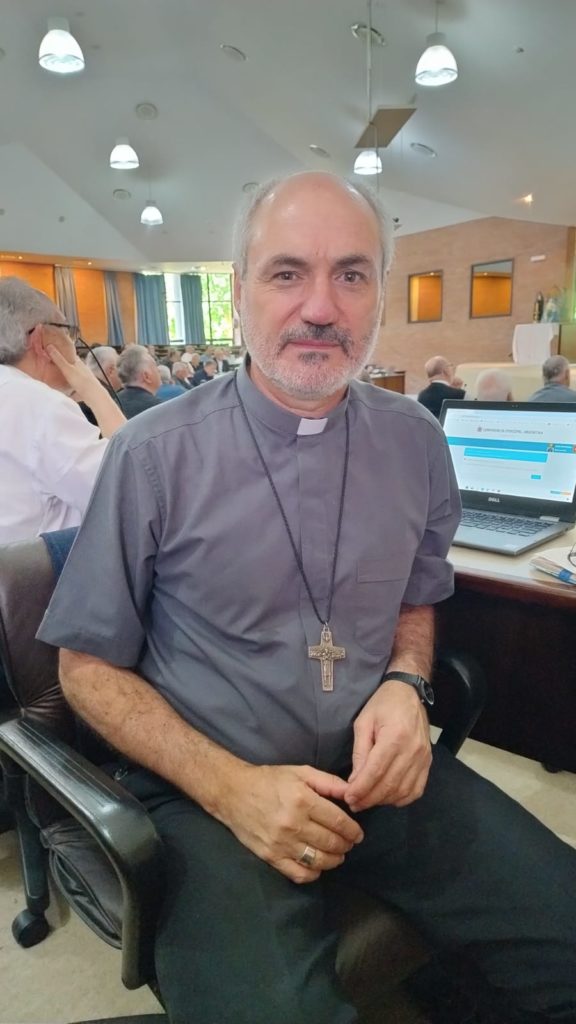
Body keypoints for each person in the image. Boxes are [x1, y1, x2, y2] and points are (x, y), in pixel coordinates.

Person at [39, 173, 576, 1024]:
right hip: (208, 796)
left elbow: (416, 596)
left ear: (380, 294)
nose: (321, 308)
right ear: (240, 289)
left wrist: (406, 683)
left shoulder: (418, 442)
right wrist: (230, 788)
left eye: (351, 274)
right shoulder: (152, 455)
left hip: (379, 775)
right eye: (287, 273)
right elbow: (84, 667)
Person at [0, 277, 125, 543]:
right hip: (44, 569)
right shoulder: (40, 406)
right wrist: (93, 390)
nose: (73, 344)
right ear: (40, 339)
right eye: (68, 331)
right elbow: (128, 489)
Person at [117, 345, 162, 418]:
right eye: (155, 366)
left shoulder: (113, 402)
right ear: (146, 376)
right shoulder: (158, 408)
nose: (159, 370)